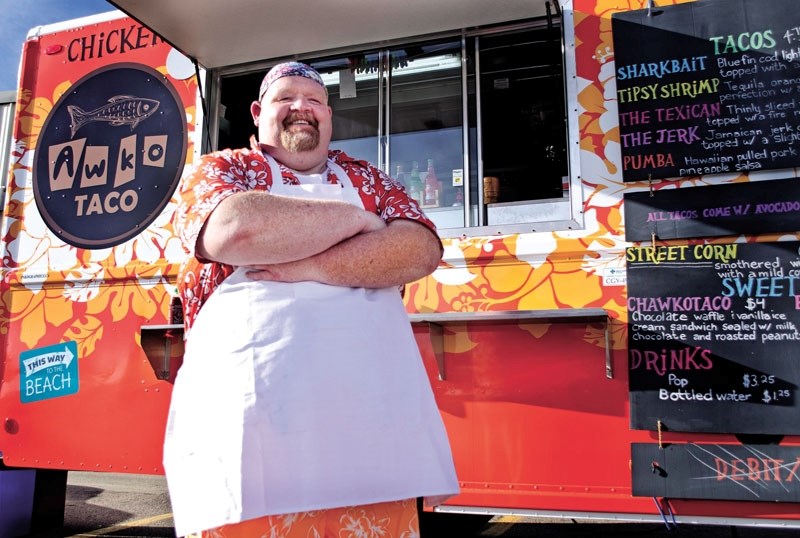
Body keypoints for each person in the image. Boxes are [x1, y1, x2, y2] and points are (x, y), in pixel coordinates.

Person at [164, 62, 459, 537]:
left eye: (314, 100)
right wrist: (360, 222)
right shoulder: (225, 167)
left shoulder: (370, 177)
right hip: (253, 429)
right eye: (286, 98)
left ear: (329, 116)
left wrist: (307, 266)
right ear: (259, 112)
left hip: (370, 426)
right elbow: (233, 229)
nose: (301, 107)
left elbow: (419, 250)